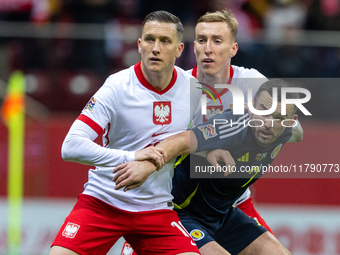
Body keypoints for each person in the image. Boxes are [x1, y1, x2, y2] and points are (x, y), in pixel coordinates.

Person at [121, 9, 302, 255]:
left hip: (233, 201)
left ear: (233, 49)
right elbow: (172, 144)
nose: (208, 48)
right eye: (202, 40)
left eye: (217, 41)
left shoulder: (253, 83)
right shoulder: (176, 90)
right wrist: (210, 149)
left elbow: (291, 124)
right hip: (182, 200)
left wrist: (280, 128)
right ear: (193, 46)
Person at [49, 10, 201, 255]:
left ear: (180, 49)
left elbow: (216, 135)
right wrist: (131, 158)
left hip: (155, 208)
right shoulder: (117, 86)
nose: (155, 48)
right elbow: (71, 145)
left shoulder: (194, 90)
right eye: (149, 39)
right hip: (104, 201)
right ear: (139, 45)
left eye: (165, 41)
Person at [114, 79, 297, 254]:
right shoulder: (232, 125)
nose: (268, 123)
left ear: (289, 122)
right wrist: (146, 165)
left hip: (223, 215)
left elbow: (299, 133)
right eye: (263, 111)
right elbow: (181, 141)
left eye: (279, 118)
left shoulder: (286, 133)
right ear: (251, 107)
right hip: (181, 213)